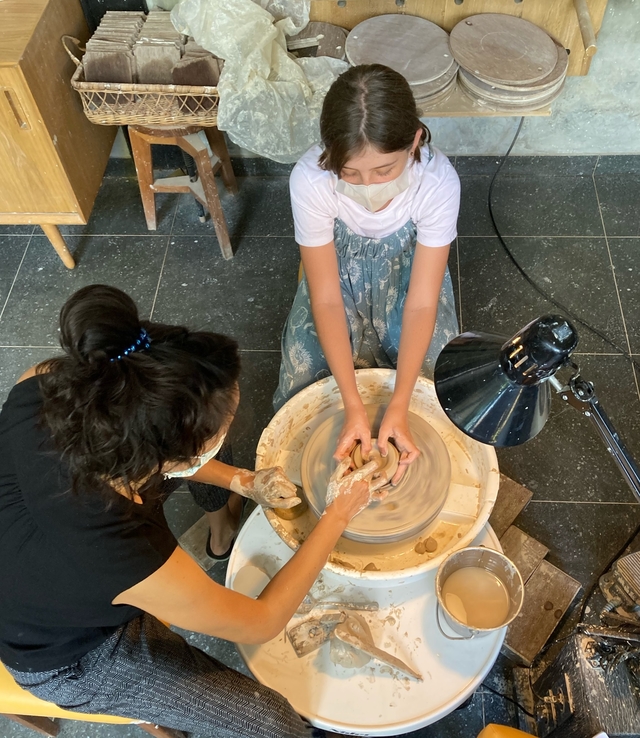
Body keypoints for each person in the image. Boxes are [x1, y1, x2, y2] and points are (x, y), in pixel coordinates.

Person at [0, 284, 384, 738]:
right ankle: (154, 716)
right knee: (272, 723)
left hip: (44, 561)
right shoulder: (123, 552)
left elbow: (163, 455)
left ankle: (219, 522)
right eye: (214, 434)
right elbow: (260, 623)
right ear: (157, 455)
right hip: (62, 653)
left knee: (223, 461)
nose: (229, 427)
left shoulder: (54, 383)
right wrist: (339, 514)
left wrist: (241, 480)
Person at [274, 64, 461, 482]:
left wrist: (399, 404)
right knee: (305, 370)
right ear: (329, 151)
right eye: (350, 173)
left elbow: (423, 301)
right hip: (338, 274)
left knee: (433, 377)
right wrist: (352, 406)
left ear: (413, 142)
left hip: (408, 278)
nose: (368, 186)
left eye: (384, 171)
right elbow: (324, 296)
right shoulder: (309, 179)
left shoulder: (437, 182)